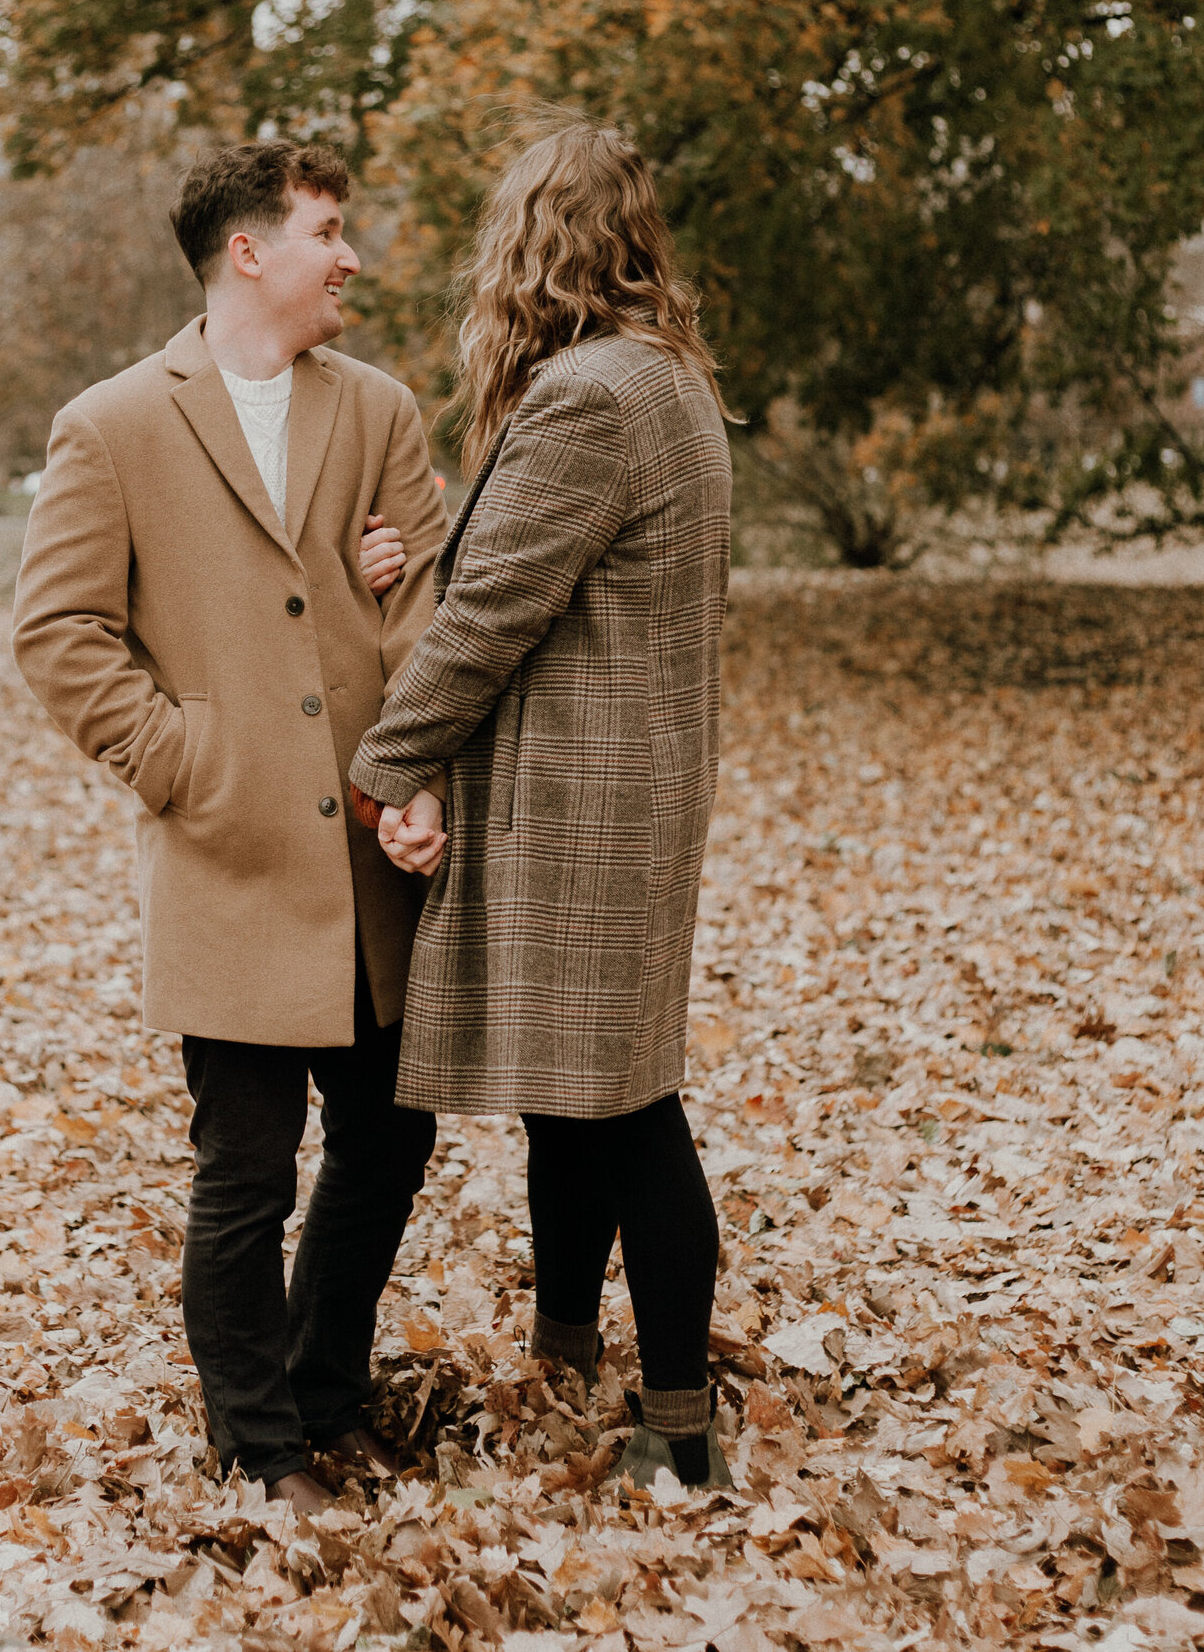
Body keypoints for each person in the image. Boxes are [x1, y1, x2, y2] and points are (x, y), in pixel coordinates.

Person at [12, 140, 448, 1514]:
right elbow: (58, 634)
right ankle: (260, 1448)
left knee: (385, 1150)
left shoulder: (380, 409)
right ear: (248, 251)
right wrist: (185, 761)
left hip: (375, 862)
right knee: (246, 1176)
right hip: (228, 862)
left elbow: (428, 604)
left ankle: (329, 1397)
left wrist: (422, 775)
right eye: (329, 228)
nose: (352, 255)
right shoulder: (117, 424)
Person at [348, 120, 734, 1491]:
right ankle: (567, 1357)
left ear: (531, 243)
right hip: (637, 786)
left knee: (626, 1107)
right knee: (580, 1091)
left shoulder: (586, 396)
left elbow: (493, 616)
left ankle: (679, 1431)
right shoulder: (665, 381)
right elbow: (517, 560)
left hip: (585, 800)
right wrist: (423, 555)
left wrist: (384, 765)